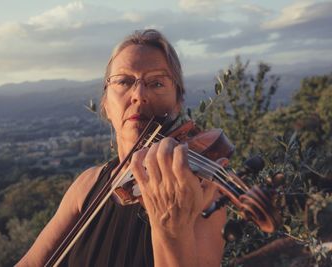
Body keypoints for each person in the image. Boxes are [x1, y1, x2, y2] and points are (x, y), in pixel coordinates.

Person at [17, 29, 226, 267]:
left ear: (177, 102)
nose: (139, 95)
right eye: (124, 81)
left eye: (156, 83)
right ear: (106, 103)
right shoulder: (86, 186)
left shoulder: (199, 194)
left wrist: (171, 229)